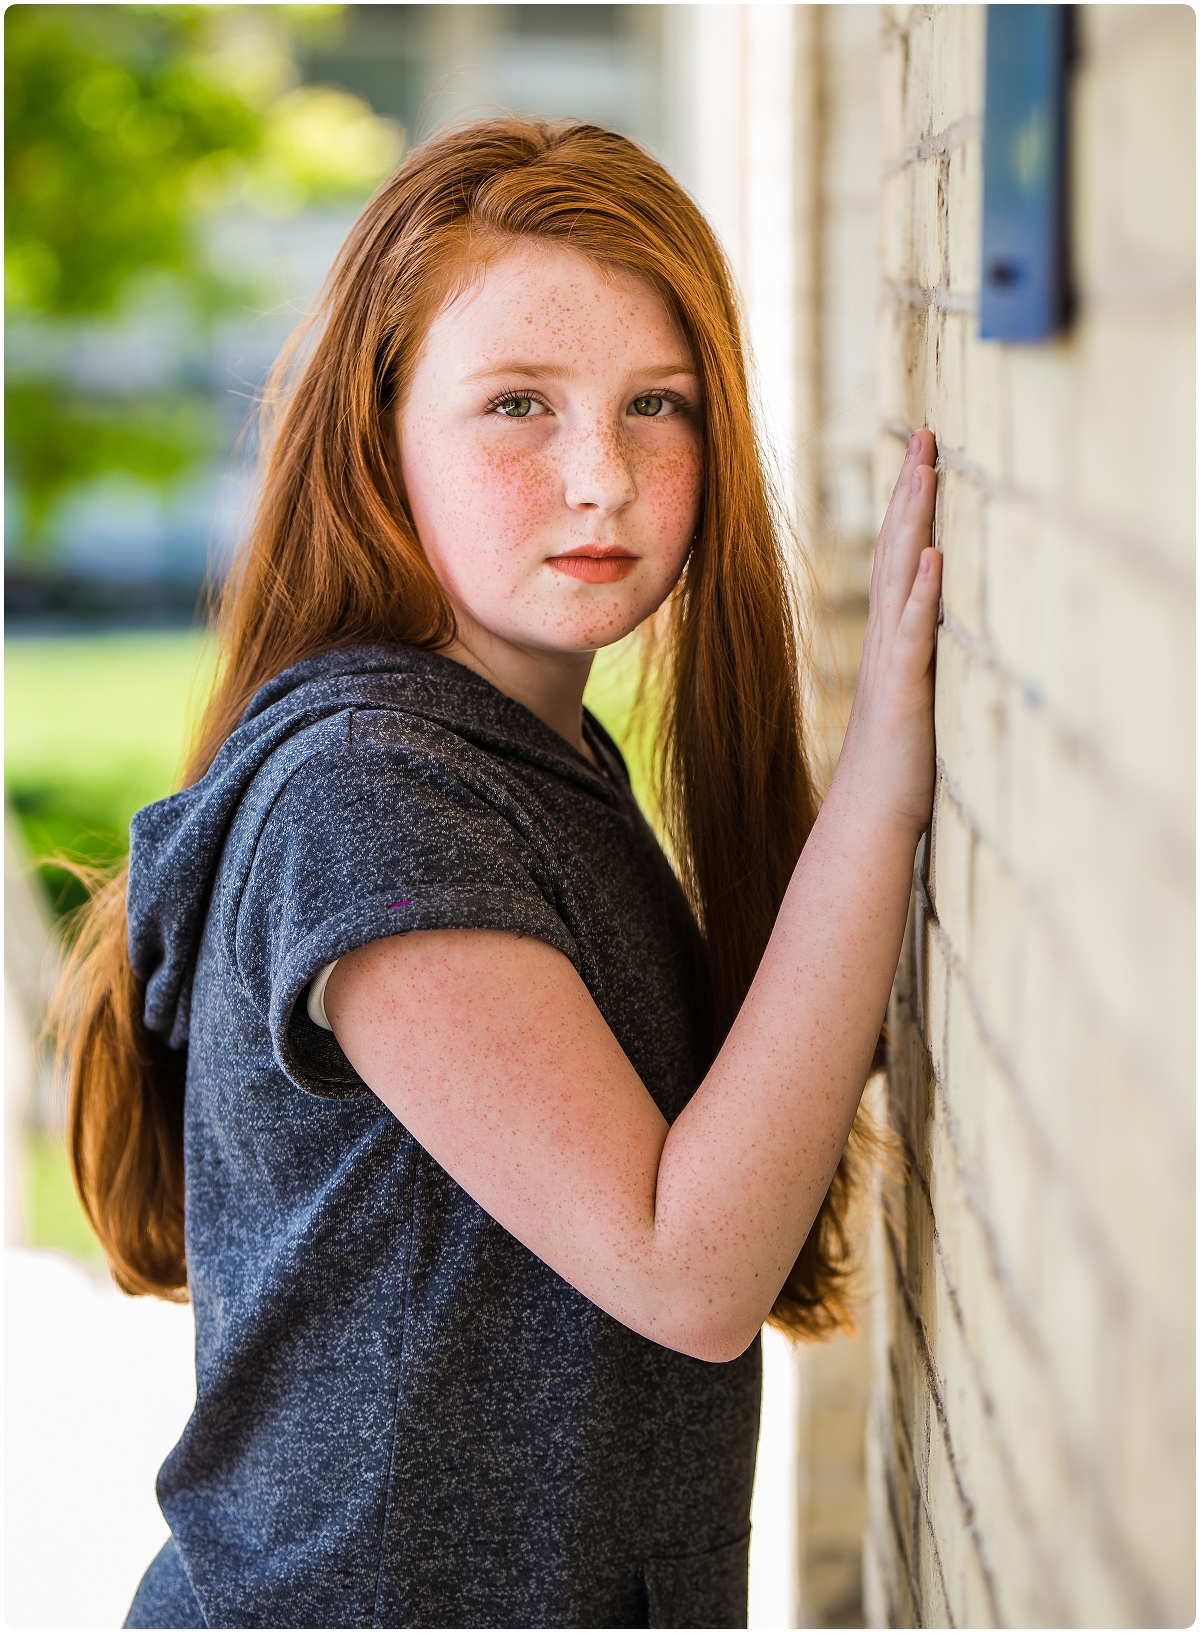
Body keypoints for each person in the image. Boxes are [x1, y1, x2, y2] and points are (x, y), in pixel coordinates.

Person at [58, 117, 941, 1630]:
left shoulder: (531, 758)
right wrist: (882, 783)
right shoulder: (374, 797)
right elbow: (685, 1264)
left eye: (656, 405)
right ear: (378, 432)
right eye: (518, 404)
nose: (600, 475)